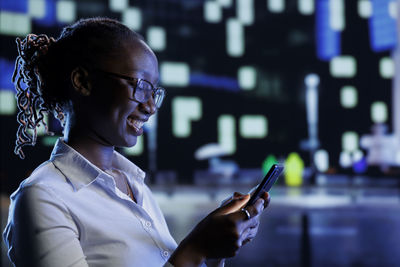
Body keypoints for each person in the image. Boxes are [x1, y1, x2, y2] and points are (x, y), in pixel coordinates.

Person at [3, 17, 269, 267]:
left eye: (155, 92)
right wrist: (195, 248)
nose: (151, 106)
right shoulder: (43, 198)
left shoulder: (134, 186)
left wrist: (211, 254)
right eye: (140, 85)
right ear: (82, 81)